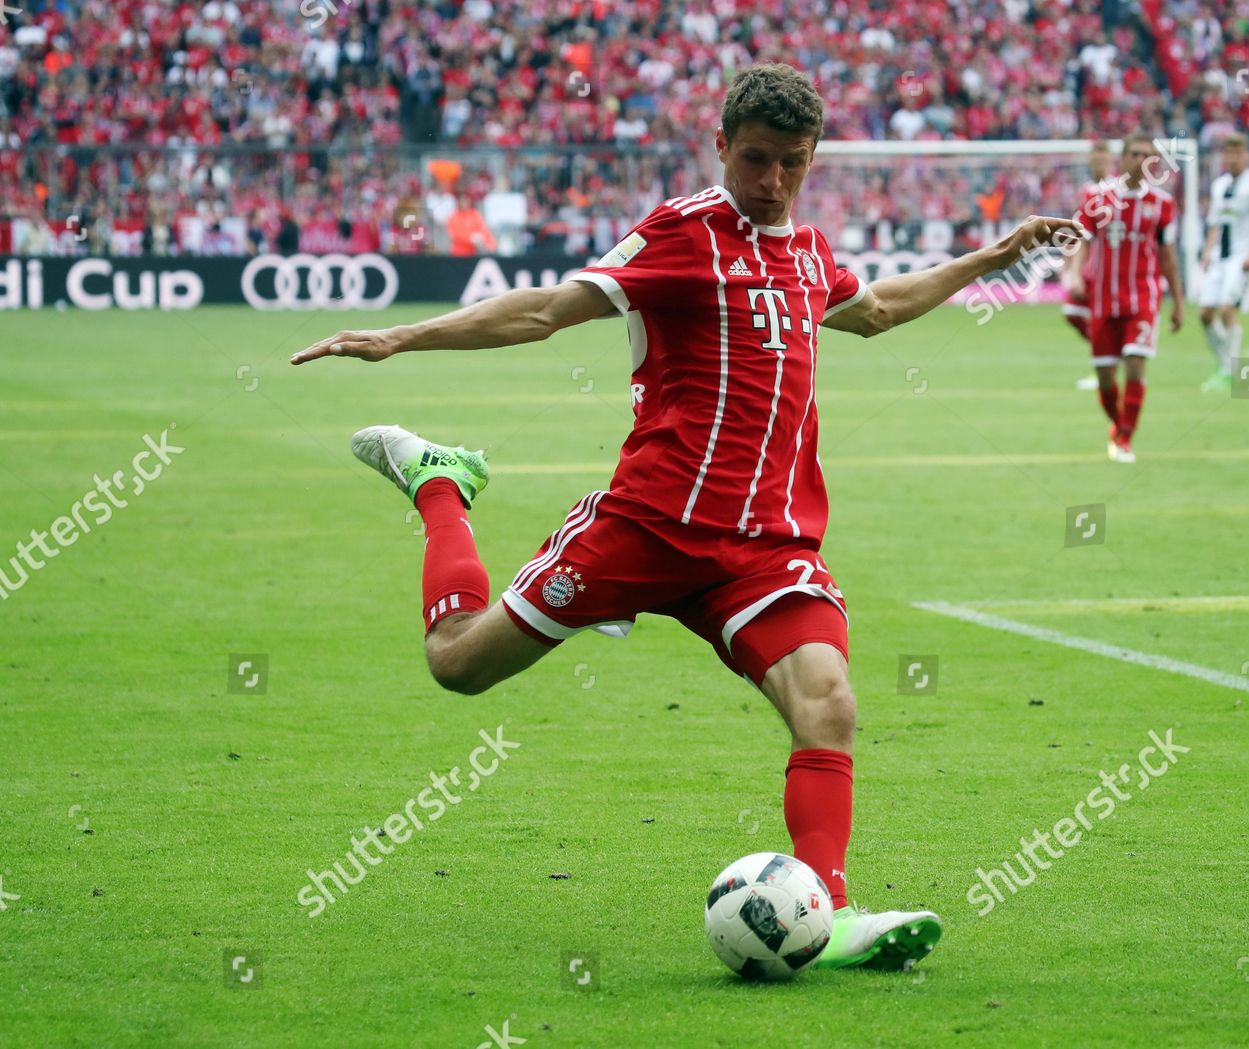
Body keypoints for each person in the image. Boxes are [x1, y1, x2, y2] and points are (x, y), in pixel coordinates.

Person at [291, 63, 1078, 972]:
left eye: (791, 162)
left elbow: (882, 309)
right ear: (720, 146)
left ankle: (828, 915)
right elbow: (546, 310)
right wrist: (399, 337)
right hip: (646, 526)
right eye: (754, 159)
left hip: (762, 548)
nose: (771, 180)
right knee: (458, 664)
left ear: (812, 156)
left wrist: (992, 257)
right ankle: (437, 482)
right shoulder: (682, 233)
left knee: (830, 702)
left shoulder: (811, 254)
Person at [1065, 133, 1185, 464]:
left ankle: (1126, 438)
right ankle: (1119, 426)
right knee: (1105, 377)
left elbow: (1168, 255)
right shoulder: (1096, 196)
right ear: (1123, 158)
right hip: (1103, 298)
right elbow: (1082, 239)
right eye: (1134, 154)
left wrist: (1178, 301)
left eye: (1148, 156)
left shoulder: (1162, 204)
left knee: (1135, 362)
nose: (1140, 161)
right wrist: (1076, 275)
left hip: (1143, 297)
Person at [1197, 133, 1249, 390]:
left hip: (1242, 255)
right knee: (1205, 314)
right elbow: (1214, 223)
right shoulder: (1220, 185)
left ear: (1246, 155)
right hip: (1220, 256)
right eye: (1228, 153)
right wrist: (1208, 252)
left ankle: (1229, 371)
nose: (1232, 158)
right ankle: (1226, 364)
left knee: (1227, 309)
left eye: (1237, 153)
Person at [1065, 141, 1115, 391]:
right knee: (1072, 313)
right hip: (1089, 267)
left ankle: (1105, 367)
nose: (1099, 163)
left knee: (1099, 320)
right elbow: (1080, 231)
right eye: (1095, 158)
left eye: (1103, 158)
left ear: (1111, 161)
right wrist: (1071, 267)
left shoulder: (1118, 191)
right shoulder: (1086, 191)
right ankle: (1108, 356)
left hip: (1110, 269)